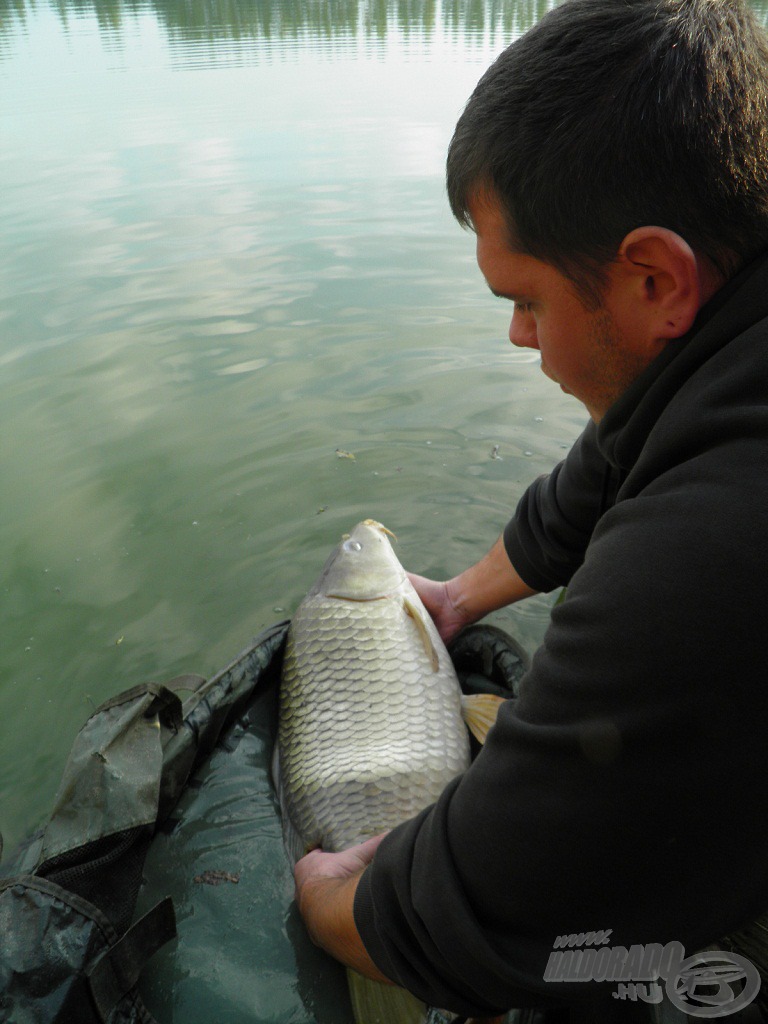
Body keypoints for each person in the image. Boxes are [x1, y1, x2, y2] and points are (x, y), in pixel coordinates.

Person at [294, 0, 768, 1018]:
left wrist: (335, 902)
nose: (519, 336)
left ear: (655, 276)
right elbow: (600, 472)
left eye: (530, 302)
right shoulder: (731, 351)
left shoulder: (705, 547)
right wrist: (459, 600)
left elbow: (474, 916)